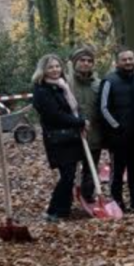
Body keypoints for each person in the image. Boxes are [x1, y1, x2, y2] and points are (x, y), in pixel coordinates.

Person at [31, 54, 88, 222]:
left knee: (69, 174)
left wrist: (81, 121)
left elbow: (74, 108)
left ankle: (63, 209)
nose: (55, 70)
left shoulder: (63, 86)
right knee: (67, 175)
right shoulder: (41, 90)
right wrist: (79, 122)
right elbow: (55, 115)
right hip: (57, 139)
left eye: (57, 66)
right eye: (50, 67)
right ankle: (54, 211)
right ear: (43, 70)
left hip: (71, 136)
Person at [100, 48, 134, 211]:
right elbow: (103, 108)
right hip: (118, 136)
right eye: (124, 59)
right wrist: (117, 126)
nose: (128, 62)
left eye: (130, 59)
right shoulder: (109, 81)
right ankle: (117, 201)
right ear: (118, 62)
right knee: (117, 171)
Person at [68, 47, 102, 203]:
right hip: (71, 134)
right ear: (75, 62)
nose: (86, 63)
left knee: (91, 169)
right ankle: (66, 199)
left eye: (89, 61)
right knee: (69, 169)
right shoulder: (66, 83)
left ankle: (88, 197)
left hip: (93, 133)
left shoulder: (98, 84)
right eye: (82, 60)